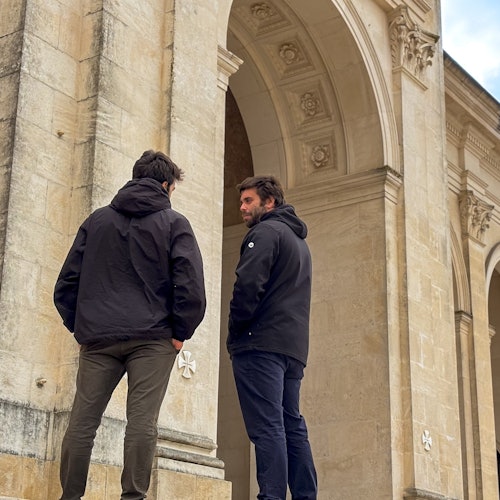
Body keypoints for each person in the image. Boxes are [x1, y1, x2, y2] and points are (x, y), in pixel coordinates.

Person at [53, 150, 206, 500]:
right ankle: (133, 497)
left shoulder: (97, 221)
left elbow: (66, 285)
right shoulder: (174, 223)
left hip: (98, 339)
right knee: (141, 422)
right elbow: (191, 287)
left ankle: (70, 497)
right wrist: (181, 332)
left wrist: (82, 327)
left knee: (82, 421)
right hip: (153, 338)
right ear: (166, 185)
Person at [227, 175, 318, 500]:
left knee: (268, 426)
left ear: (269, 202)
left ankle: (272, 496)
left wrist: (236, 330)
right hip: (291, 349)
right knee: (291, 424)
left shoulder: (265, 233)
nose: (242, 207)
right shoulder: (299, 242)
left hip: (260, 344)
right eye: (241, 201)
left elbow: (248, 285)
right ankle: (305, 495)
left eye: (248, 201)